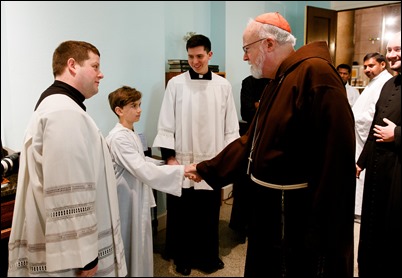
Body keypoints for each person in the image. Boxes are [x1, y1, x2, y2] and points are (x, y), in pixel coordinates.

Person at [193, 12, 356, 277]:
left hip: (295, 211)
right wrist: (205, 169)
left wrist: (323, 226)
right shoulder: (278, 81)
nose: (245, 57)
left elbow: (336, 159)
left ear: (268, 43)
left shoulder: (316, 73)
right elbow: (251, 142)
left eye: (247, 49)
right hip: (269, 206)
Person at [7, 40, 127, 277]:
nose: (101, 74)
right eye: (95, 66)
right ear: (72, 65)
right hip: (72, 258)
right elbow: (70, 190)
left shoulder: (57, 105)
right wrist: (87, 257)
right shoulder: (64, 112)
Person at [152, 34, 240, 276]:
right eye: (190, 57)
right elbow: (166, 123)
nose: (194, 61)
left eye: (199, 56)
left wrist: (224, 164)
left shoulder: (223, 86)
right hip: (183, 160)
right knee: (182, 214)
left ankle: (208, 257)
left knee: (209, 213)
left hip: (212, 161)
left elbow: (230, 127)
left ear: (210, 55)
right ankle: (183, 258)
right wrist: (170, 158)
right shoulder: (176, 84)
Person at [105, 85, 200, 277]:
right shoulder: (117, 138)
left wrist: (166, 164)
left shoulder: (130, 133)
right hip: (126, 198)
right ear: (119, 110)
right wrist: (181, 171)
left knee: (139, 240)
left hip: (135, 194)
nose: (140, 110)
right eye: (134, 105)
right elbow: (141, 169)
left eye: (139, 104)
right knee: (130, 240)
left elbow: (142, 160)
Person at [356, 31, 401, 278]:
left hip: (397, 171)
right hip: (377, 169)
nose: (392, 55)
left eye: (398, 49)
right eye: (390, 49)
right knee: (372, 226)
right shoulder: (388, 85)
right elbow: (375, 125)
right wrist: (360, 162)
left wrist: (398, 134)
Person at [352, 52, 393, 220]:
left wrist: (353, 119)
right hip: (359, 135)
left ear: (383, 64)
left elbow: (374, 114)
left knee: (363, 173)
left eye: (371, 65)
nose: (367, 70)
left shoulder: (385, 82)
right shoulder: (373, 83)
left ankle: (361, 211)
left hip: (368, 137)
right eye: (365, 66)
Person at [229, 75, 270, 241]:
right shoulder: (248, 82)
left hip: (269, 136)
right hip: (250, 135)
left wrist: (258, 105)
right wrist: (263, 107)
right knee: (244, 183)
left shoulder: (278, 80)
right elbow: (246, 112)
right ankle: (240, 226)